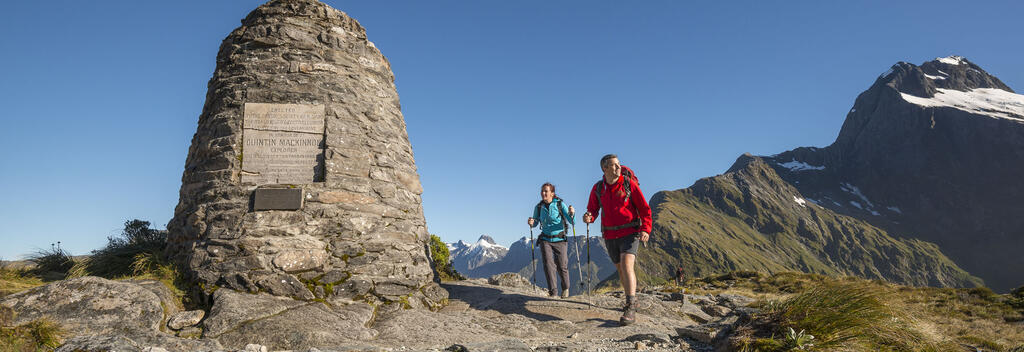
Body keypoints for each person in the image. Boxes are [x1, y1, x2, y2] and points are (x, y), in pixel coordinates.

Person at [583, 154, 652, 325]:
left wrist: (646, 229)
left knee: (627, 264)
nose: (618, 167)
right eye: (613, 165)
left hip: (630, 232)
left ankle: (630, 306)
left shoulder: (629, 185)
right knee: (620, 269)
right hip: (610, 234)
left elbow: (645, 209)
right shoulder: (598, 188)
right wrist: (589, 218)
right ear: (604, 169)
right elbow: (593, 210)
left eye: (618, 164)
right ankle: (629, 297)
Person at [528, 182, 575, 298]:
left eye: (546, 191)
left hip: (560, 239)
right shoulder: (539, 207)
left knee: (562, 265)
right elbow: (535, 223)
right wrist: (532, 223)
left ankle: (565, 288)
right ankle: (553, 292)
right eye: (542, 191)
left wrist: (572, 213)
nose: (543, 193)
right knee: (548, 265)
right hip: (545, 239)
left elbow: (571, 221)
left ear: (552, 193)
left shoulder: (560, 204)